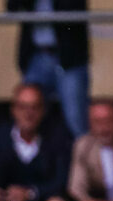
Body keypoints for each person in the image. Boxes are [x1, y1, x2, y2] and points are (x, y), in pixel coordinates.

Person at [0, 83, 71, 201]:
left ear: (43, 111)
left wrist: (31, 193)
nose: (28, 113)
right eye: (23, 107)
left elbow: (62, 182)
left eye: (34, 107)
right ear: (13, 110)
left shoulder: (57, 138)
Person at [9, 0, 90, 138]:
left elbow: (73, 6)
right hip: (36, 55)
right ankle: (30, 158)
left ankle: (83, 159)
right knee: (28, 116)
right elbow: (12, 7)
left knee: (76, 120)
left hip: (69, 57)